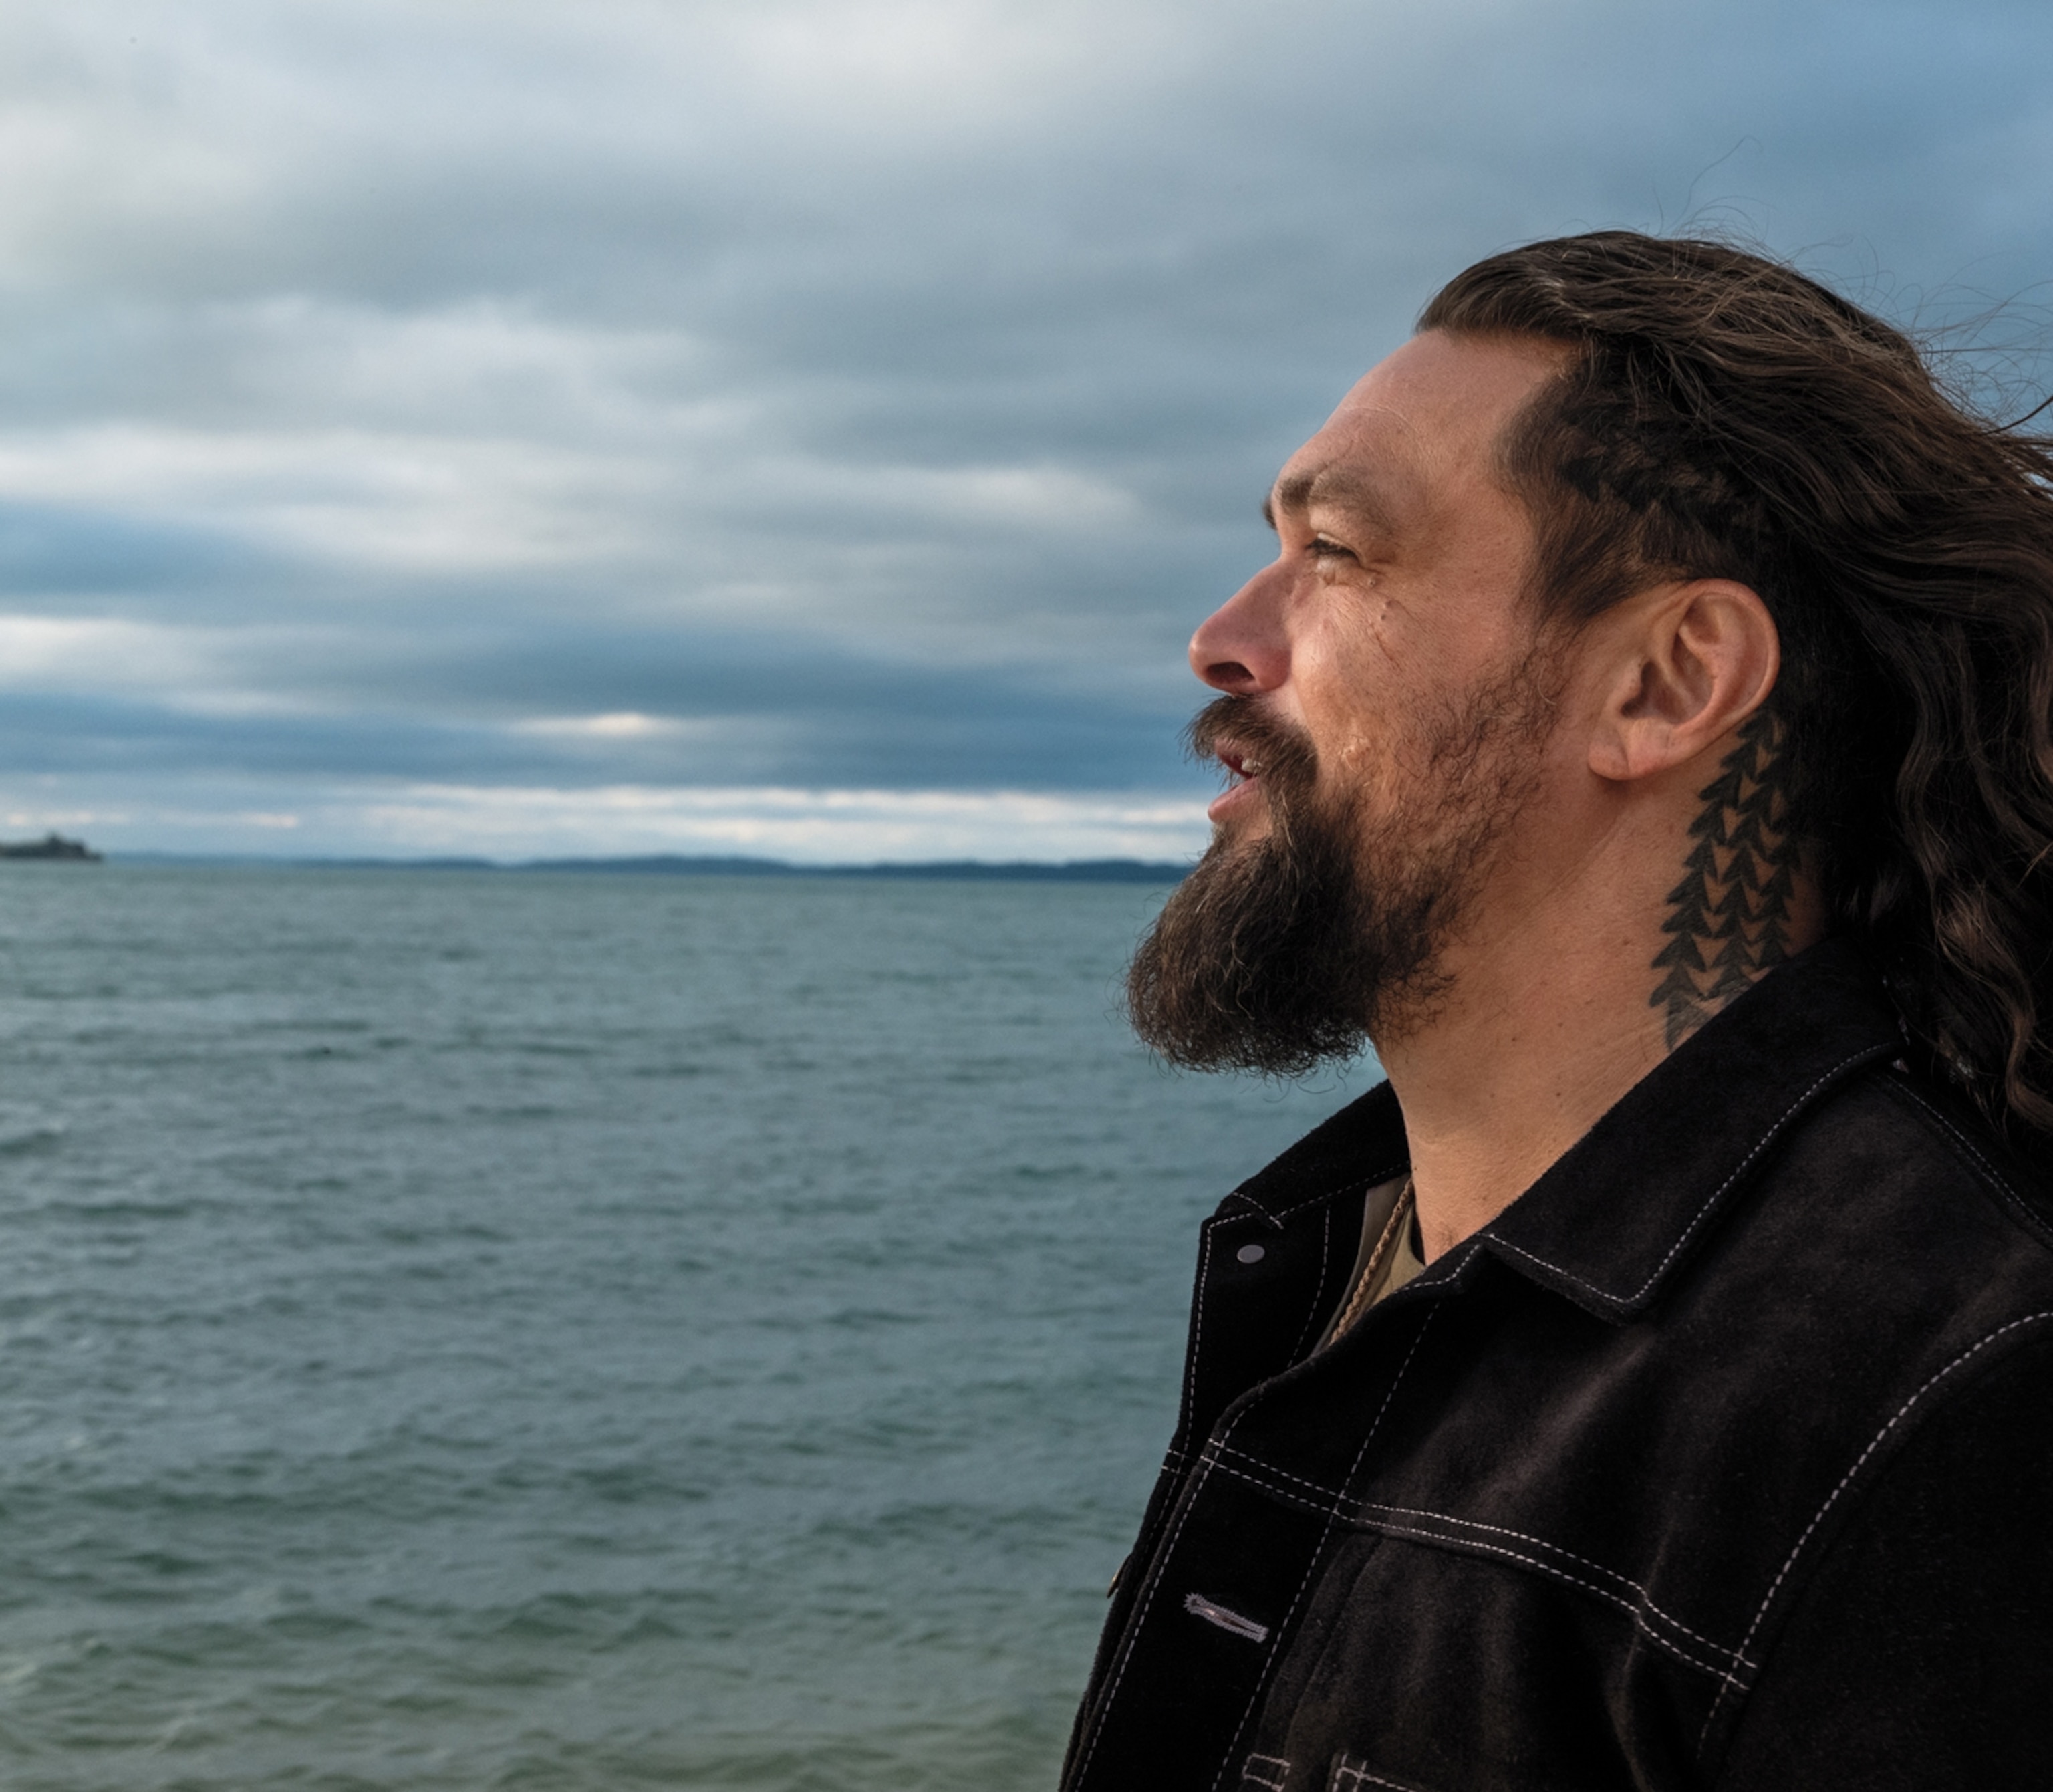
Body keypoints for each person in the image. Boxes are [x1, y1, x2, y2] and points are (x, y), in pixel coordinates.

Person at [1062, 231, 2053, 1791]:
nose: (1227, 640)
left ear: (1663, 685)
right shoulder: (1341, 1261)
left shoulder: (1948, 1418)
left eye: (1340, 552)